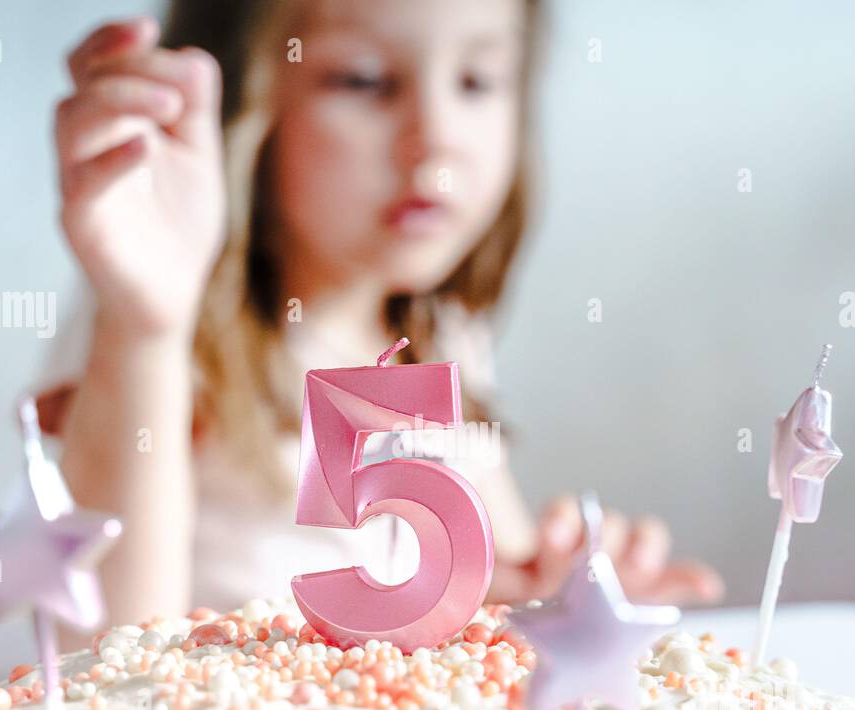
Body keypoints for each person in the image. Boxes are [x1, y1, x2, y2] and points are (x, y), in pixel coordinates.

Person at [42, 0, 722, 626]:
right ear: (240, 98)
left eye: (477, 81)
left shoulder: (440, 330)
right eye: (365, 80)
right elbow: (105, 639)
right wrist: (144, 329)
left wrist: (565, 585)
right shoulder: (152, 327)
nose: (437, 138)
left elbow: (491, 576)